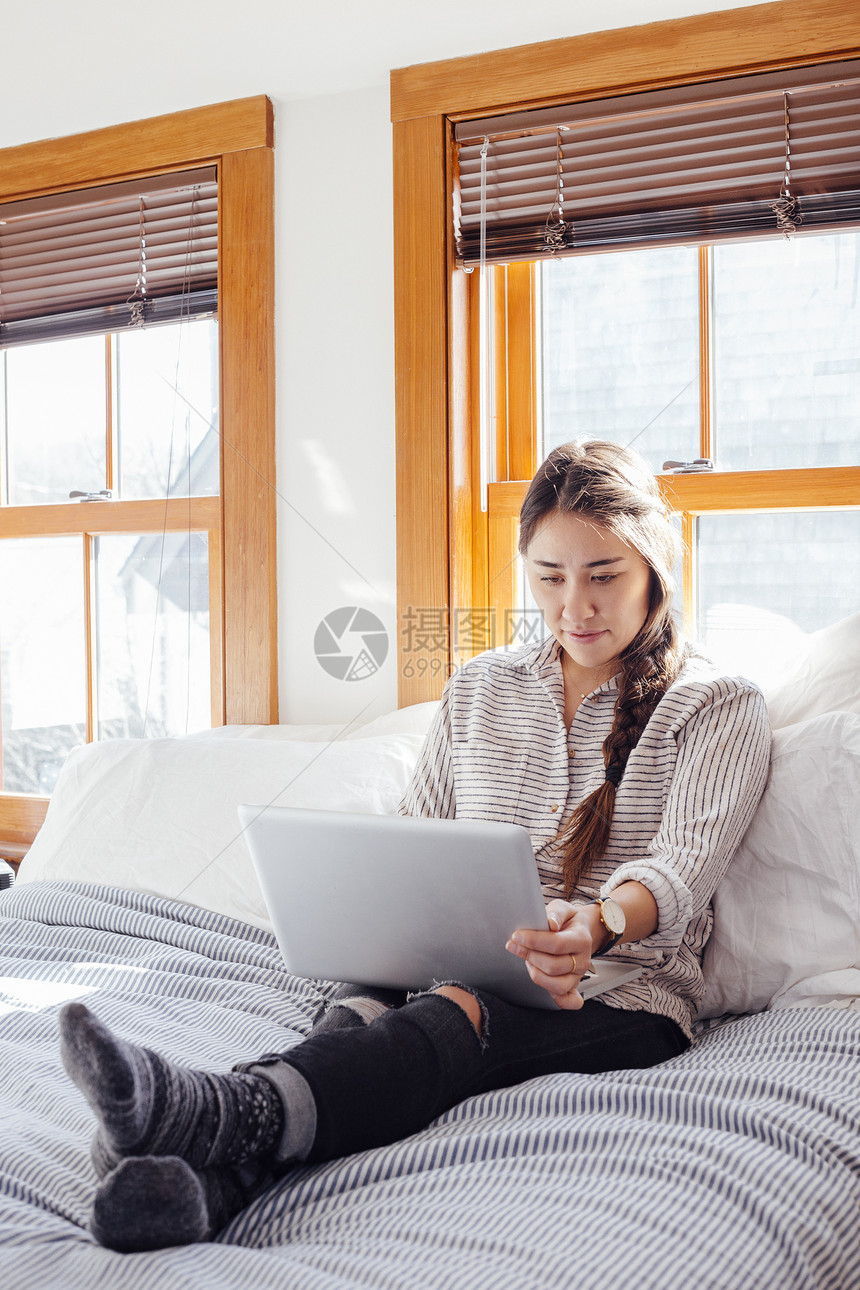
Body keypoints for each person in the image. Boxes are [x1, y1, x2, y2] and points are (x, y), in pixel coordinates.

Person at [59, 439, 771, 1253]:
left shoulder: (718, 705)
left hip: (624, 995)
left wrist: (596, 924)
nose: (575, 605)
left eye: (603, 575)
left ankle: (214, 1110)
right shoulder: (479, 688)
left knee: (459, 1010)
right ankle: (211, 1186)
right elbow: (414, 838)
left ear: (655, 566)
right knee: (364, 1001)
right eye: (549, 576)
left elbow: (678, 872)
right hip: (459, 961)